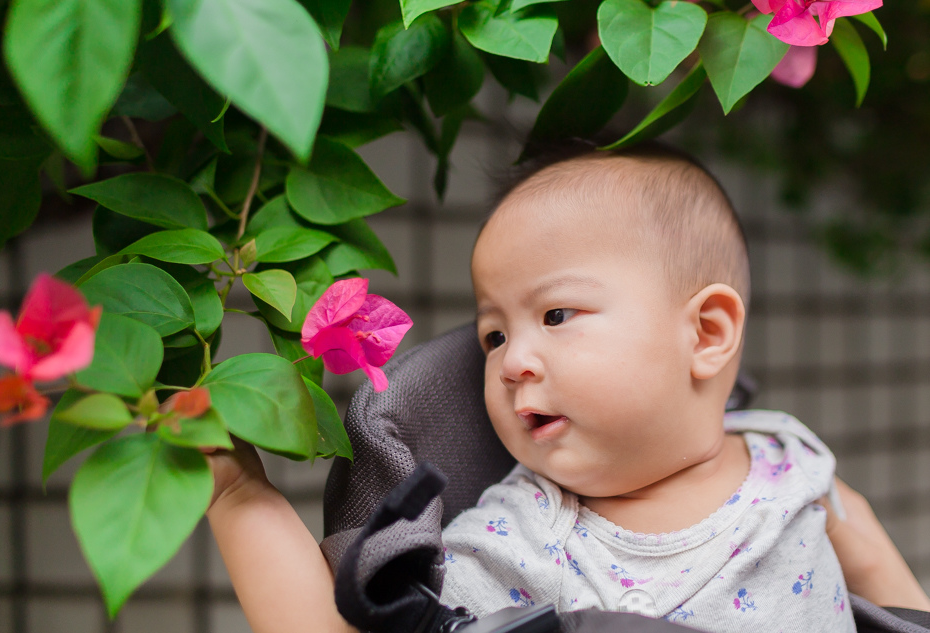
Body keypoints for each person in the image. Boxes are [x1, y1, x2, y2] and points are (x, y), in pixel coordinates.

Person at [204, 145, 930, 633]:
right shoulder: (518, 539)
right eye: (493, 335)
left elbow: (885, 586)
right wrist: (238, 494)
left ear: (707, 333)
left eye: (556, 315)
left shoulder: (789, 455)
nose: (512, 359)